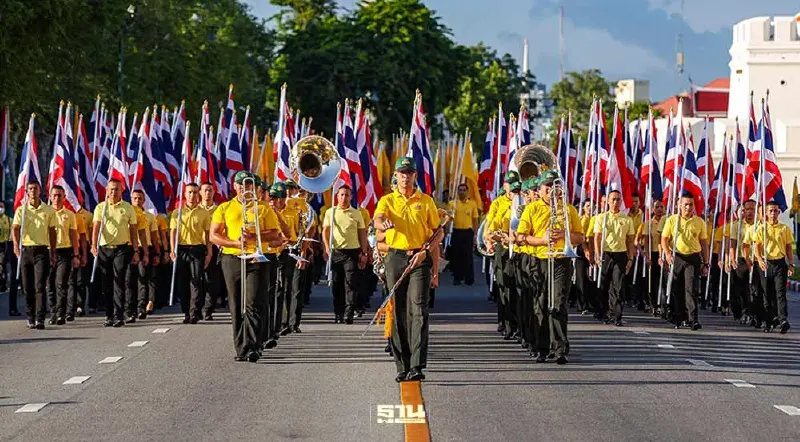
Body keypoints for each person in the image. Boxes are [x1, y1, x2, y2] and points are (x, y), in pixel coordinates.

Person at [374, 157, 442, 383]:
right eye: (402, 173)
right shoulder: (387, 200)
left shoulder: (426, 201)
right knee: (398, 310)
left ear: (415, 176)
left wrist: (428, 254)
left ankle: (417, 364)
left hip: (419, 259)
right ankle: (401, 364)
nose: (405, 176)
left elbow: (438, 232)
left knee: (418, 310)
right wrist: (383, 223)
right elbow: (378, 218)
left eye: (409, 173)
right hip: (395, 257)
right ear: (396, 175)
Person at [210, 171, 280, 362]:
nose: (243, 188)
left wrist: (254, 237)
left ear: (253, 188)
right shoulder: (224, 207)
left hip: (256, 258)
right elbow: (214, 235)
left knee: (253, 302)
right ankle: (241, 347)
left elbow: (275, 234)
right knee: (236, 304)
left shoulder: (264, 208)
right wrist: (234, 243)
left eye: (247, 185)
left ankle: (254, 346)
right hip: (232, 258)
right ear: (234, 187)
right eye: (240, 185)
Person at [92, 179, 140, 327]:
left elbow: (133, 230)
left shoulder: (127, 208)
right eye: (111, 189)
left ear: (122, 190)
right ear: (106, 190)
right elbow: (96, 227)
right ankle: (109, 315)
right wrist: (93, 245)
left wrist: (136, 250)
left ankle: (119, 315)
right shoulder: (100, 208)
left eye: (117, 189)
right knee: (106, 283)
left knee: (119, 280)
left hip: (122, 248)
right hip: (105, 249)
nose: (114, 192)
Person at [12, 181, 57, 329]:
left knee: (39, 286)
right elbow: (15, 228)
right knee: (27, 287)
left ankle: (40, 318)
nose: (33, 191)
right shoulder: (22, 210)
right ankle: (30, 316)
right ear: (26, 192)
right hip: (26, 250)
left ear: (40, 191)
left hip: (42, 251)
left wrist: (53, 251)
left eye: (35, 189)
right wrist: (16, 246)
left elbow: (52, 231)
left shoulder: (48, 210)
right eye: (30, 189)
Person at [661, 192, 709, 330]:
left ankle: (693, 319)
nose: (688, 207)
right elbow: (664, 239)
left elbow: (704, 243)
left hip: (693, 257)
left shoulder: (699, 222)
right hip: (677, 257)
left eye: (691, 204)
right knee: (677, 288)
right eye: (686, 204)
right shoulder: (672, 220)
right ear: (679, 205)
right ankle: (678, 317)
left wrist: (706, 263)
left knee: (691, 289)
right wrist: (667, 254)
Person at [322, 185, 369, 324]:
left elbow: (362, 234)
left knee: (351, 283)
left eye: (347, 195)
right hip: (336, 252)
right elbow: (325, 231)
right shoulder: (331, 212)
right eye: (342, 195)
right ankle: (339, 312)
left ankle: (349, 312)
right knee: (337, 284)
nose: (344, 198)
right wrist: (326, 248)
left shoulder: (356, 213)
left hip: (352, 252)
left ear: (351, 197)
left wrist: (364, 252)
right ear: (337, 196)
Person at [170, 183, 212, 324]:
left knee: (196, 281)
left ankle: (194, 312)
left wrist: (209, 252)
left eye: (195, 192)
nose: (192, 195)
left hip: (197, 249)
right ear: (185, 194)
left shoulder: (203, 213)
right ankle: (186, 311)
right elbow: (173, 232)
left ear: (198, 194)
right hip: (182, 249)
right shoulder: (178, 212)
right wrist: (172, 250)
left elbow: (207, 234)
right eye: (189, 192)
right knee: (183, 282)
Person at [751, 200, 794, 333]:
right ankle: (769, 320)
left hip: (780, 264)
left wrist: (791, 264)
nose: (773, 213)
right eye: (771, 211)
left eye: (776, 211)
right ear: (766, 213)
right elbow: (756, 247)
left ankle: (783, 320)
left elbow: (788, 247)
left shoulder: (784, 229)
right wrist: (759, 259)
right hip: (766, 264)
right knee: (767, 294)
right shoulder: (761, 229)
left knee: (780, 293)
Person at [593, 190, 635, 326]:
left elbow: (630, 240)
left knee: (618, 285)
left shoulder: (627, 219)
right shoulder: (601, 218)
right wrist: (598, 255)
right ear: (608, 201)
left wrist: (630, 258)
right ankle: (603, 311)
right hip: (606, 253)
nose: (616, 202)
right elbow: (597, 238)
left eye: (618, 199)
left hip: (620, 254)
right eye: (613, 199)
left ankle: (616, 315)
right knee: (604, 284)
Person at [46, 185, 80, 325]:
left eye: (59, 195)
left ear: (64, 197)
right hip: (47, 251)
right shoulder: (45, 213)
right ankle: (53, 312)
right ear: (50, 196)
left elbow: (74, 236)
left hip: (64, 251)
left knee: (61, 283)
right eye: (54, 195)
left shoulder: (70, 215)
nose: (56, 198)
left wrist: (76, 254)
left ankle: (61, 313)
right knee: (49, 284)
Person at [131, 190, 160, 320]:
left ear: (144, 200)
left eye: (140, 198)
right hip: (130, 248)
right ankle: (133, 306)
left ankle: (146, 303)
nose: (137, 201)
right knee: (133, 279)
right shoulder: (128, 214)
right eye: (135, 198)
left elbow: (154, 237)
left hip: (146, 248)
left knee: (146, 278)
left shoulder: (149, 216)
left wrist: (157, 253)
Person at [448, 183, 479, 286]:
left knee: (468, 256)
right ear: (457, 191)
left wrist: (475, 234)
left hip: (468, 233)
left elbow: (475, 220)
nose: (462, 192)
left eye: (464, 190)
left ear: (467, 191)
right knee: (456, 256)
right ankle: (457, 278)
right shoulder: (453, 204)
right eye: (460, 190)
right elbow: (448, 219)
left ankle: (469, 278)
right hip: (456, 232)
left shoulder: (472, 204)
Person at [199, 182, 221, 320]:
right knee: (198, 279)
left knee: (213, 280)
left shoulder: (218, 210)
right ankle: (197, 307)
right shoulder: (196, 210)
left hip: (214, 247)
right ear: (200, 193)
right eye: (205, 190)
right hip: (197, 246)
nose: (207, 193)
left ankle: (208, 308)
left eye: (210, 190)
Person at [0, 200, 20, 316]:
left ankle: (13, 307)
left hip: (6, 247)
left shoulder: (9, 220)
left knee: (7, 271)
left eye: (1, 206)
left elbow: (15, 231)